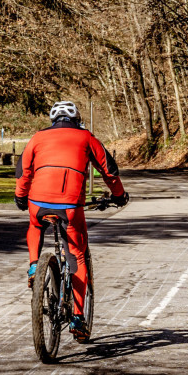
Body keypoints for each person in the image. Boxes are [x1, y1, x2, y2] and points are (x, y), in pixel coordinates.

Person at [15, 100, 128, 340]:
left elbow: (23, 172)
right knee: (76, 254)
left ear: (52, 120)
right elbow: (109, 170)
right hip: (70, 204)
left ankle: (35, 265)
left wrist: (21, 197)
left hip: (39, 201)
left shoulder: (37, 137)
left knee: (35, 224)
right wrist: (119, 196)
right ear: (76, 119)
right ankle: (78, 317)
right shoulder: (86, 137)